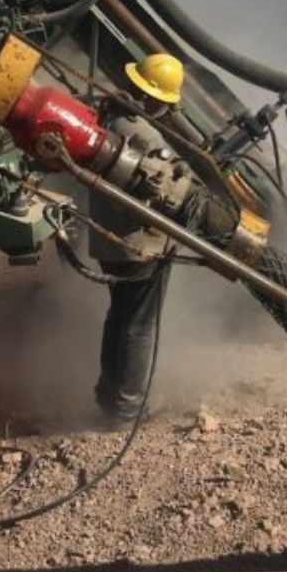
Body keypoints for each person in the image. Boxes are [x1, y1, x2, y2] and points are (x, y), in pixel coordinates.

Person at [89, 54, 185, 422]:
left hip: (110, 241)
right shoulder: (143, 133)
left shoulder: (110, 118)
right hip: (139, 244)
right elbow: (170, 187)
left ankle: (108, 396)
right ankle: (128, 408)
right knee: (140, 325)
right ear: (154, 99)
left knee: (120, 317)